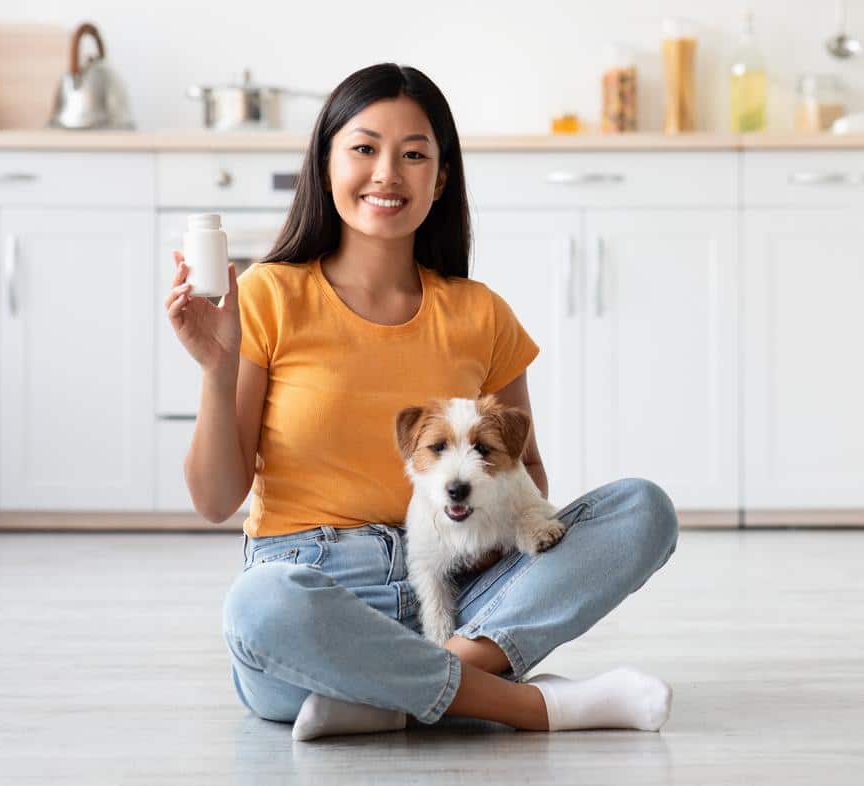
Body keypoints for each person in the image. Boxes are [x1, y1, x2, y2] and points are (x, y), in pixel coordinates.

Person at [164, 63, 678, 741]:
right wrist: (214, 369)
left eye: (414, 155)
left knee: (641, 509)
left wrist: (475, 528)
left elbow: (529, 480)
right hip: (315, 596)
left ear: (440, 180)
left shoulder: (480, 313)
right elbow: (214, 501)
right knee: (260, 606)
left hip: (461, 591)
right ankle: (526, 705)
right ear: (324, 166)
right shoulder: (268, 294)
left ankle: (393, 693)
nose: (387, 173)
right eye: (364, 148)